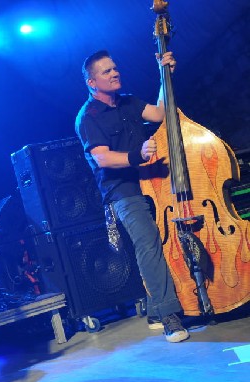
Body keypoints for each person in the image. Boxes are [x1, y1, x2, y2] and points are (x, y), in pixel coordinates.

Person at [75, 49, 190, 343]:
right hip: (122, 191)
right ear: (91, 82)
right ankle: (169, 316)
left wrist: (165, 75)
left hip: (153, 181)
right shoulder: (88, 117)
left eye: (115, 68)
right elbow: (103, 159)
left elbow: (162, 114)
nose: (115, 73)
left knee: (168, 237)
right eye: (106, 71)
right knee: (148, 242)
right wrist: (137, 155)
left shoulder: (129, 102)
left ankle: (154, 308)